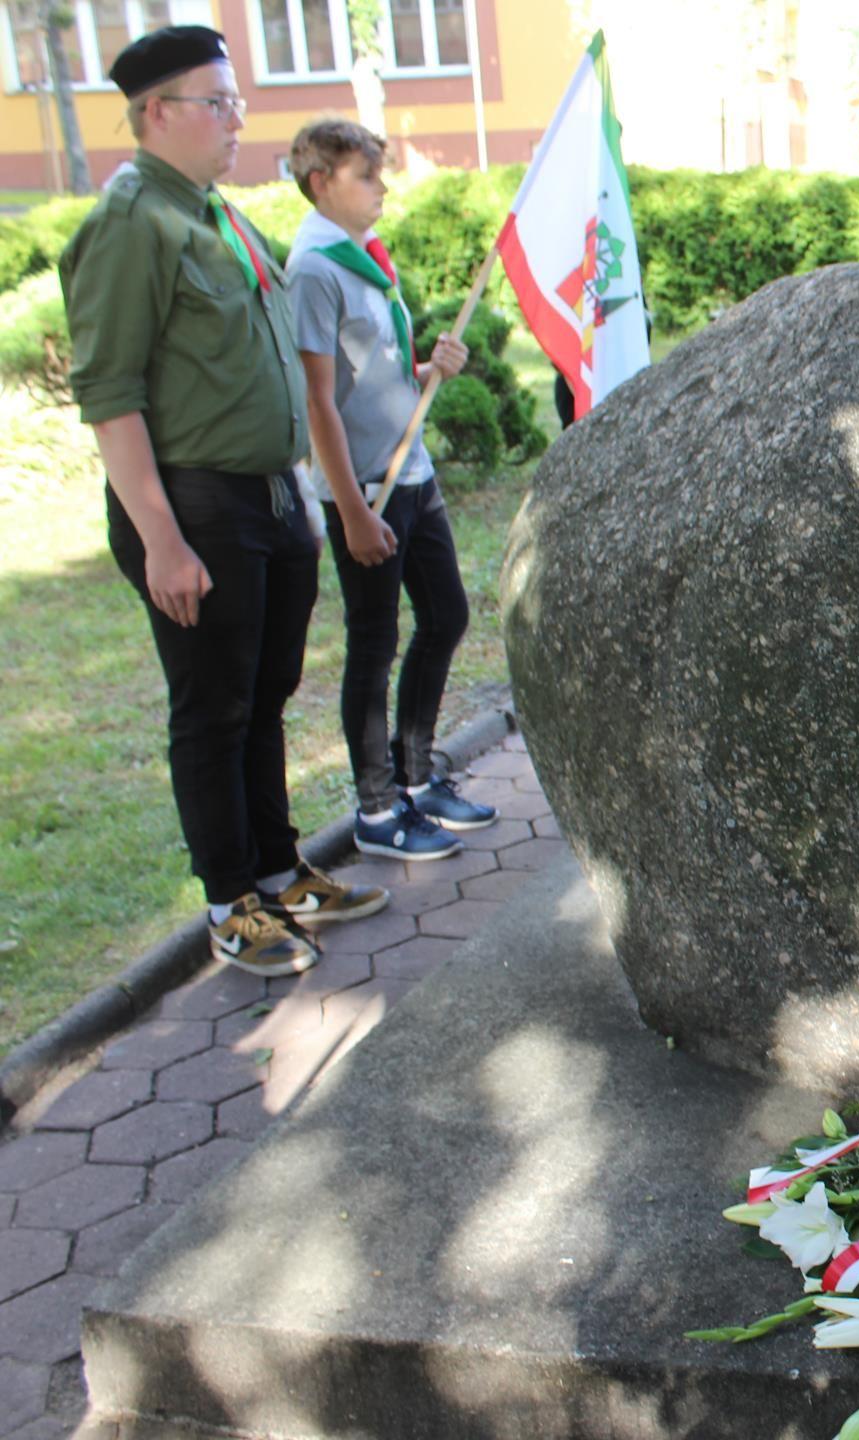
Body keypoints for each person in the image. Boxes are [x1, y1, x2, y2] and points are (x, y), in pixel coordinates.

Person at [59, 26, 385, 978]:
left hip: (268, 497)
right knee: (212, 705)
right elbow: (110, 394)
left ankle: (279, 871)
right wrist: (162, 539)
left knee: (266, 693)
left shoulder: (215, 214)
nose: (238, 117)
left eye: (237, 99)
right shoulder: (134, 222)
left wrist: (300, 494)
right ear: (157, 112)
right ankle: (228, 902)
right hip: (196, 506)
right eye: (218, 101)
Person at [286, 118, 497, 862]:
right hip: (367, 488)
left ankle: (416, 775)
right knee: (373, 646)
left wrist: (426, 365)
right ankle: (377, 811)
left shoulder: (367, 258)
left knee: (446, 615)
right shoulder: (314, 268)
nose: (382, 188)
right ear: (321, 182)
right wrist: (348, 510)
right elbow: (318, 402)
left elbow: (369, 372)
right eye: (366, 175)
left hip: (412, 470)